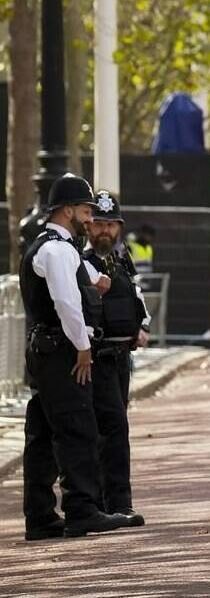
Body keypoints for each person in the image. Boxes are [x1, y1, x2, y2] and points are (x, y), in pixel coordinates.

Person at [22, 174, 132, 541]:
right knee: (77, 428)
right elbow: (67, 303)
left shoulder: (53, 246)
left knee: (42, 432)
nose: (90, 219)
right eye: (86, 211)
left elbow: (83, 275)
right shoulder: (56, 249)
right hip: (62, 351)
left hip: (45, 349)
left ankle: (40, 517)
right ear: (68, 210)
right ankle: (81, 509)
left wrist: (97, 279)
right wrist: (83, 346)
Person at [81, 190, 150, 526]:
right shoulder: (80, 263)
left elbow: (136, 299)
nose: (104, 231)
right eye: (99, 224)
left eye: (111, 224)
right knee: (111, 429)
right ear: (88, 226)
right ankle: (116, 503)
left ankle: (105, 502)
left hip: (122, 359)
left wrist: (143, 327)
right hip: (97, 357)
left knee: (112, 428)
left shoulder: (121, 261)